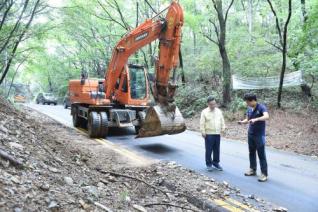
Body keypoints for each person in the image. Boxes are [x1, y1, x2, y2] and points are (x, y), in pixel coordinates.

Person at [238, 93, 269, 182]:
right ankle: (252, 169)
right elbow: (247, 119)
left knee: (261, 154)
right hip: (250, 134)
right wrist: (242, 122)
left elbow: (267, 116)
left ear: (252, 100)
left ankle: (264, 174)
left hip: (259, 135)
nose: (247, 104)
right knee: (251, 152)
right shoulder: (249, 109)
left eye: (247, 102)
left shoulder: (261, 107)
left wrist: (256, 119)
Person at [200, 96, 226, 171]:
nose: (213, 105)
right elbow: (202, 123)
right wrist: (203, 132)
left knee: (216, 149)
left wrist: (223, 127)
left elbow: (222, 120)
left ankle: (216, 163)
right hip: (208, 133)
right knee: (209, 149)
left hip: (217, 133)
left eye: (214, 104)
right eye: (211, 104)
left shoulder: (218, 111)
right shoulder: (204, 112)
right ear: (208, 104)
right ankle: (208, 164)